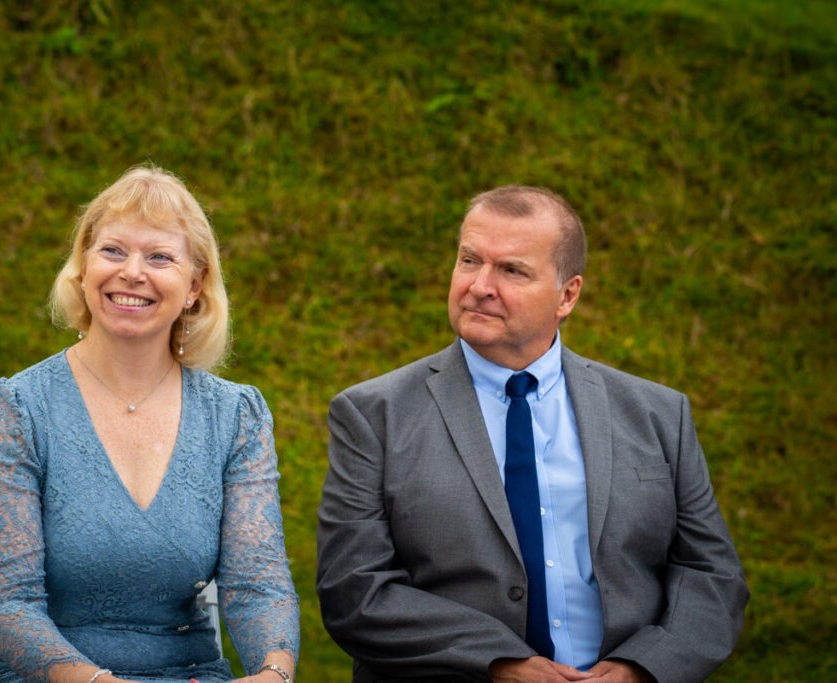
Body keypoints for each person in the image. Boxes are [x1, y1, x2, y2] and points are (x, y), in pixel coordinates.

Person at [316, 185, 748, 683]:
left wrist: (642, 668)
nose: (480, 285)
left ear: (567, 295)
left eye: (512, 270)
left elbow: (712, 575)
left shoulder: (658, 412)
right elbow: (353, 589)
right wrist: (499, 663)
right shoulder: (374, 414)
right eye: (469, 260)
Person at [0, 165, 299, 683]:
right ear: (83, 268)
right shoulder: (14, 408)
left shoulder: (236, 417)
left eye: (159, 257)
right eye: (113, 251)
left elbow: (257, 585)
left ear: (195, 285)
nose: (132, 272)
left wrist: (274, 673)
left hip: (183, 673)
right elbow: (8, 602)